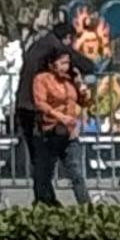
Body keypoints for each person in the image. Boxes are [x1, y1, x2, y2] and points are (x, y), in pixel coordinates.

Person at [18, 18, 90, 210]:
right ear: (67, 38)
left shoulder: (40, 44)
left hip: (30, 107)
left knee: (45, 164)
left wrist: (80, 88)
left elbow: (80, 99)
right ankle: (45, 200)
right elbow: (85, 63)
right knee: (42, 163)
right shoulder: (54, 47)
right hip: (36, 111)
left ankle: (47, 200)